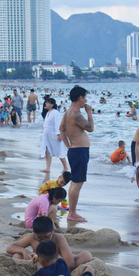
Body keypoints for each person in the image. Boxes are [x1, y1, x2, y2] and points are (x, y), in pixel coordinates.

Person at [59, 85, 94, 223]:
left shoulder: (68, 112)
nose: (85, 101)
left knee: (75, 182)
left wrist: (68, 145)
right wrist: (90, 112)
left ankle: (72, 212)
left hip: (75, 150)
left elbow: (61, 129)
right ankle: (72, 213)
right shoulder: (76, 114)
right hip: (79, 150)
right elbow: (91, 128)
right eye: (85, 98)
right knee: (77, 182)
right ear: (80, 98)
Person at [6, 216, 93, 270]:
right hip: (38, 264)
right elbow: (10, 248)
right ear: (34, 233)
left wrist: (53, 259)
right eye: (39, 238)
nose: (43, 240)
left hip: (57, 265)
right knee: (17, 256)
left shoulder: (59, 238)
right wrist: (24, 251)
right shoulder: (31, 237)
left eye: (46, 237)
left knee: (87, 255)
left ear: (52, 232)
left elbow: (70, 264)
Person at [41, 97, 68, 173]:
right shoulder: (48, 113)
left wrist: (59, 134)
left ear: (52, 104)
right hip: (47, 135)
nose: (45, 104)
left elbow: (57, 124)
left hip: (54, 135)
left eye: (47, 103)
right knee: (47, 150)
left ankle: (65, 167)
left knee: (59, 150)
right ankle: (48, 168)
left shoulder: (56, 113)